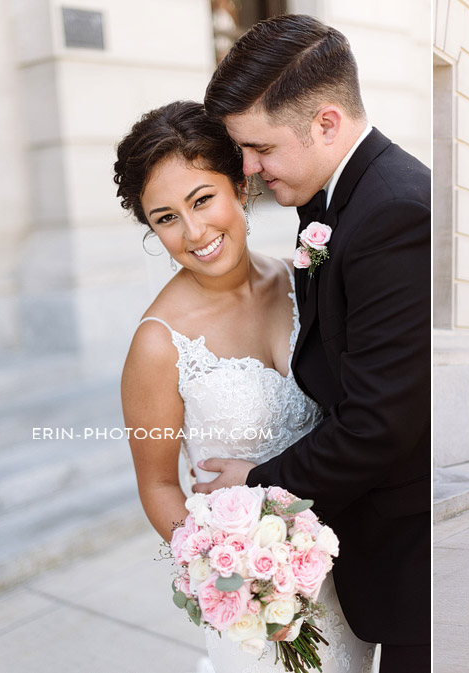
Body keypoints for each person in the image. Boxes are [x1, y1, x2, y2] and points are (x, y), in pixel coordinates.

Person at [190, 14, 431, 672]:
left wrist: (258, 483)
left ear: (327, 122)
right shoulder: (332, 202)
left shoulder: (395, 213)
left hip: (413, 565)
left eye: (259, 148)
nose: (249, 171)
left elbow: (380, 423)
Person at [115, 100, 376, 672]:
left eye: (202, 199)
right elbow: (159, 486)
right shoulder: (157, 345)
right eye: (165, 218)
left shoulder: (303, 278)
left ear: (239, 184)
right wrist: (238, 585)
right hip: (256, 604)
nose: (194, 231)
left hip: (349, 574)